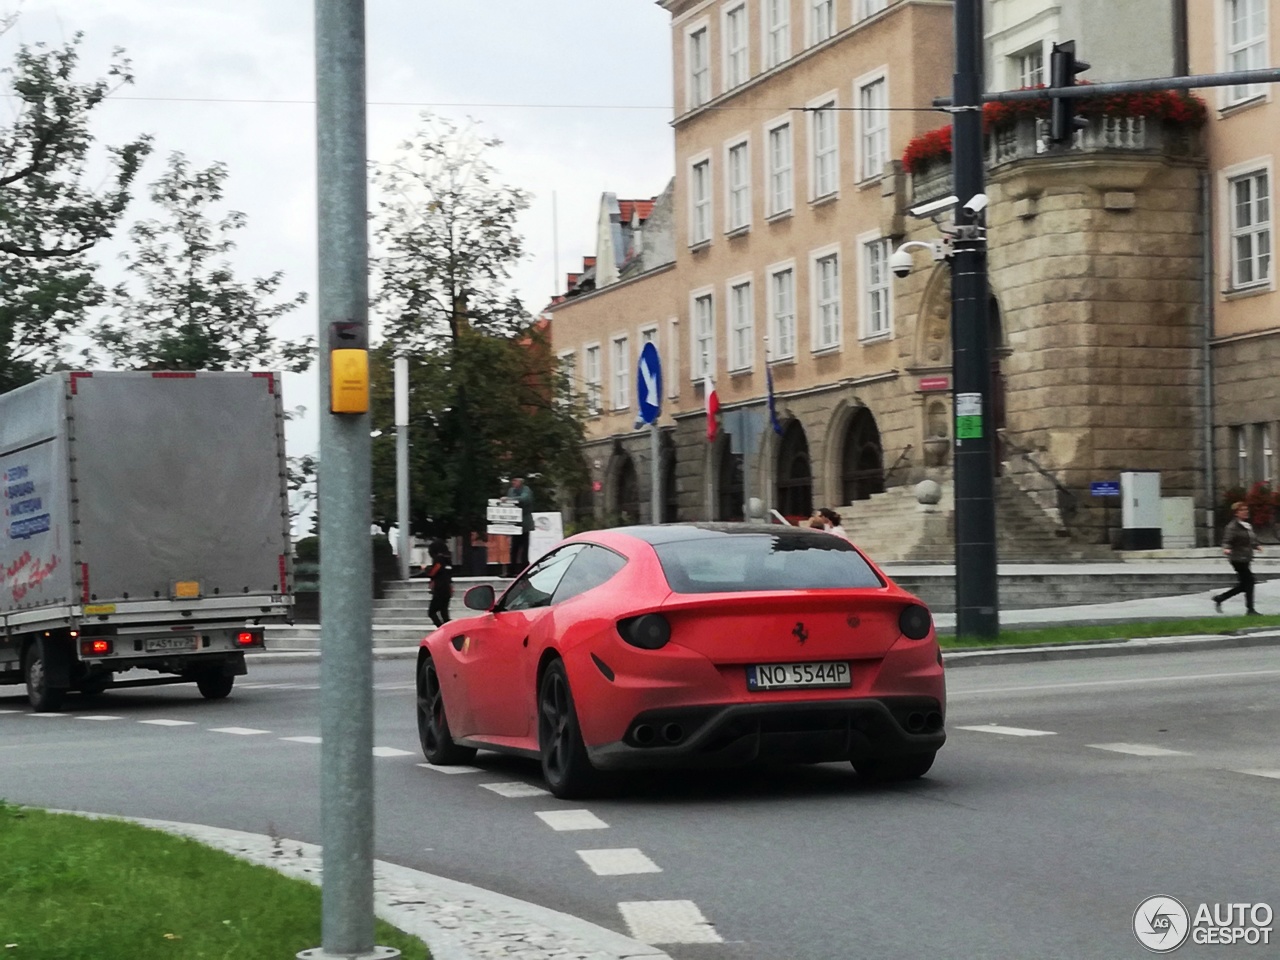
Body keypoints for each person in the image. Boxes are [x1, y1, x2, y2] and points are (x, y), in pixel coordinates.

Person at [1213, 501, 1261, 615]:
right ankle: (1250, 609)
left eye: (1246, 509)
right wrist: (1226, 548)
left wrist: (1256, 545)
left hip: (1246, 557)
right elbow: (1227, 540)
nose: (1245, 512)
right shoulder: (1232, 527)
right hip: (1237, 559)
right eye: (1242, 510)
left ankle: (1221, 598)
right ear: (1236, 513)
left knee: (1245, 584)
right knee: (1249, 582)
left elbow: (1250, 539)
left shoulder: (1247, 525)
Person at [505, 476, 534, 576]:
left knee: (524, 548)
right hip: (515, 524)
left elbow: (525, 499)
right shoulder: (511, 490)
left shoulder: (526, 490)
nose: (513, 483)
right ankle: (511, 570)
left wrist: (509, 499)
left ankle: (523, 570)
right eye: (513, 481)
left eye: (515, 481)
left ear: (520, 482)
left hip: (524, 524)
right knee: (514, 548)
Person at [426, 542, 454, 627]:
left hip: (439, 588)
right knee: (444, 612)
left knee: (432, 612)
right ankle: (448, 629)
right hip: (447, 588)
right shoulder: (448, 560)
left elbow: (433, 572)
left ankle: (441, 628)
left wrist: (426, 569)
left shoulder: (438, 559)